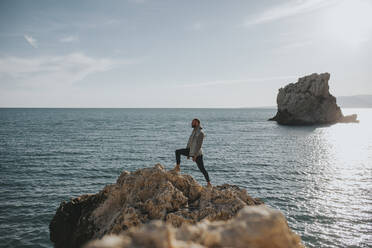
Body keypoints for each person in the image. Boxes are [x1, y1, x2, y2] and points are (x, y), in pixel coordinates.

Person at [174, 118, 212, 187]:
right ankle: (177, 167)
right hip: (190, 150)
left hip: (197, 154)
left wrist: (195, 155)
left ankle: (209, 183)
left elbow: (199, 145)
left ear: (197, 123)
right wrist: (188, 153)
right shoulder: (194, 131)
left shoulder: (201, 133)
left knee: (202, 169)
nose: (191, 123)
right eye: (192, 122)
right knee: (177, 152)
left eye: (193, 122)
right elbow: (190, 142)